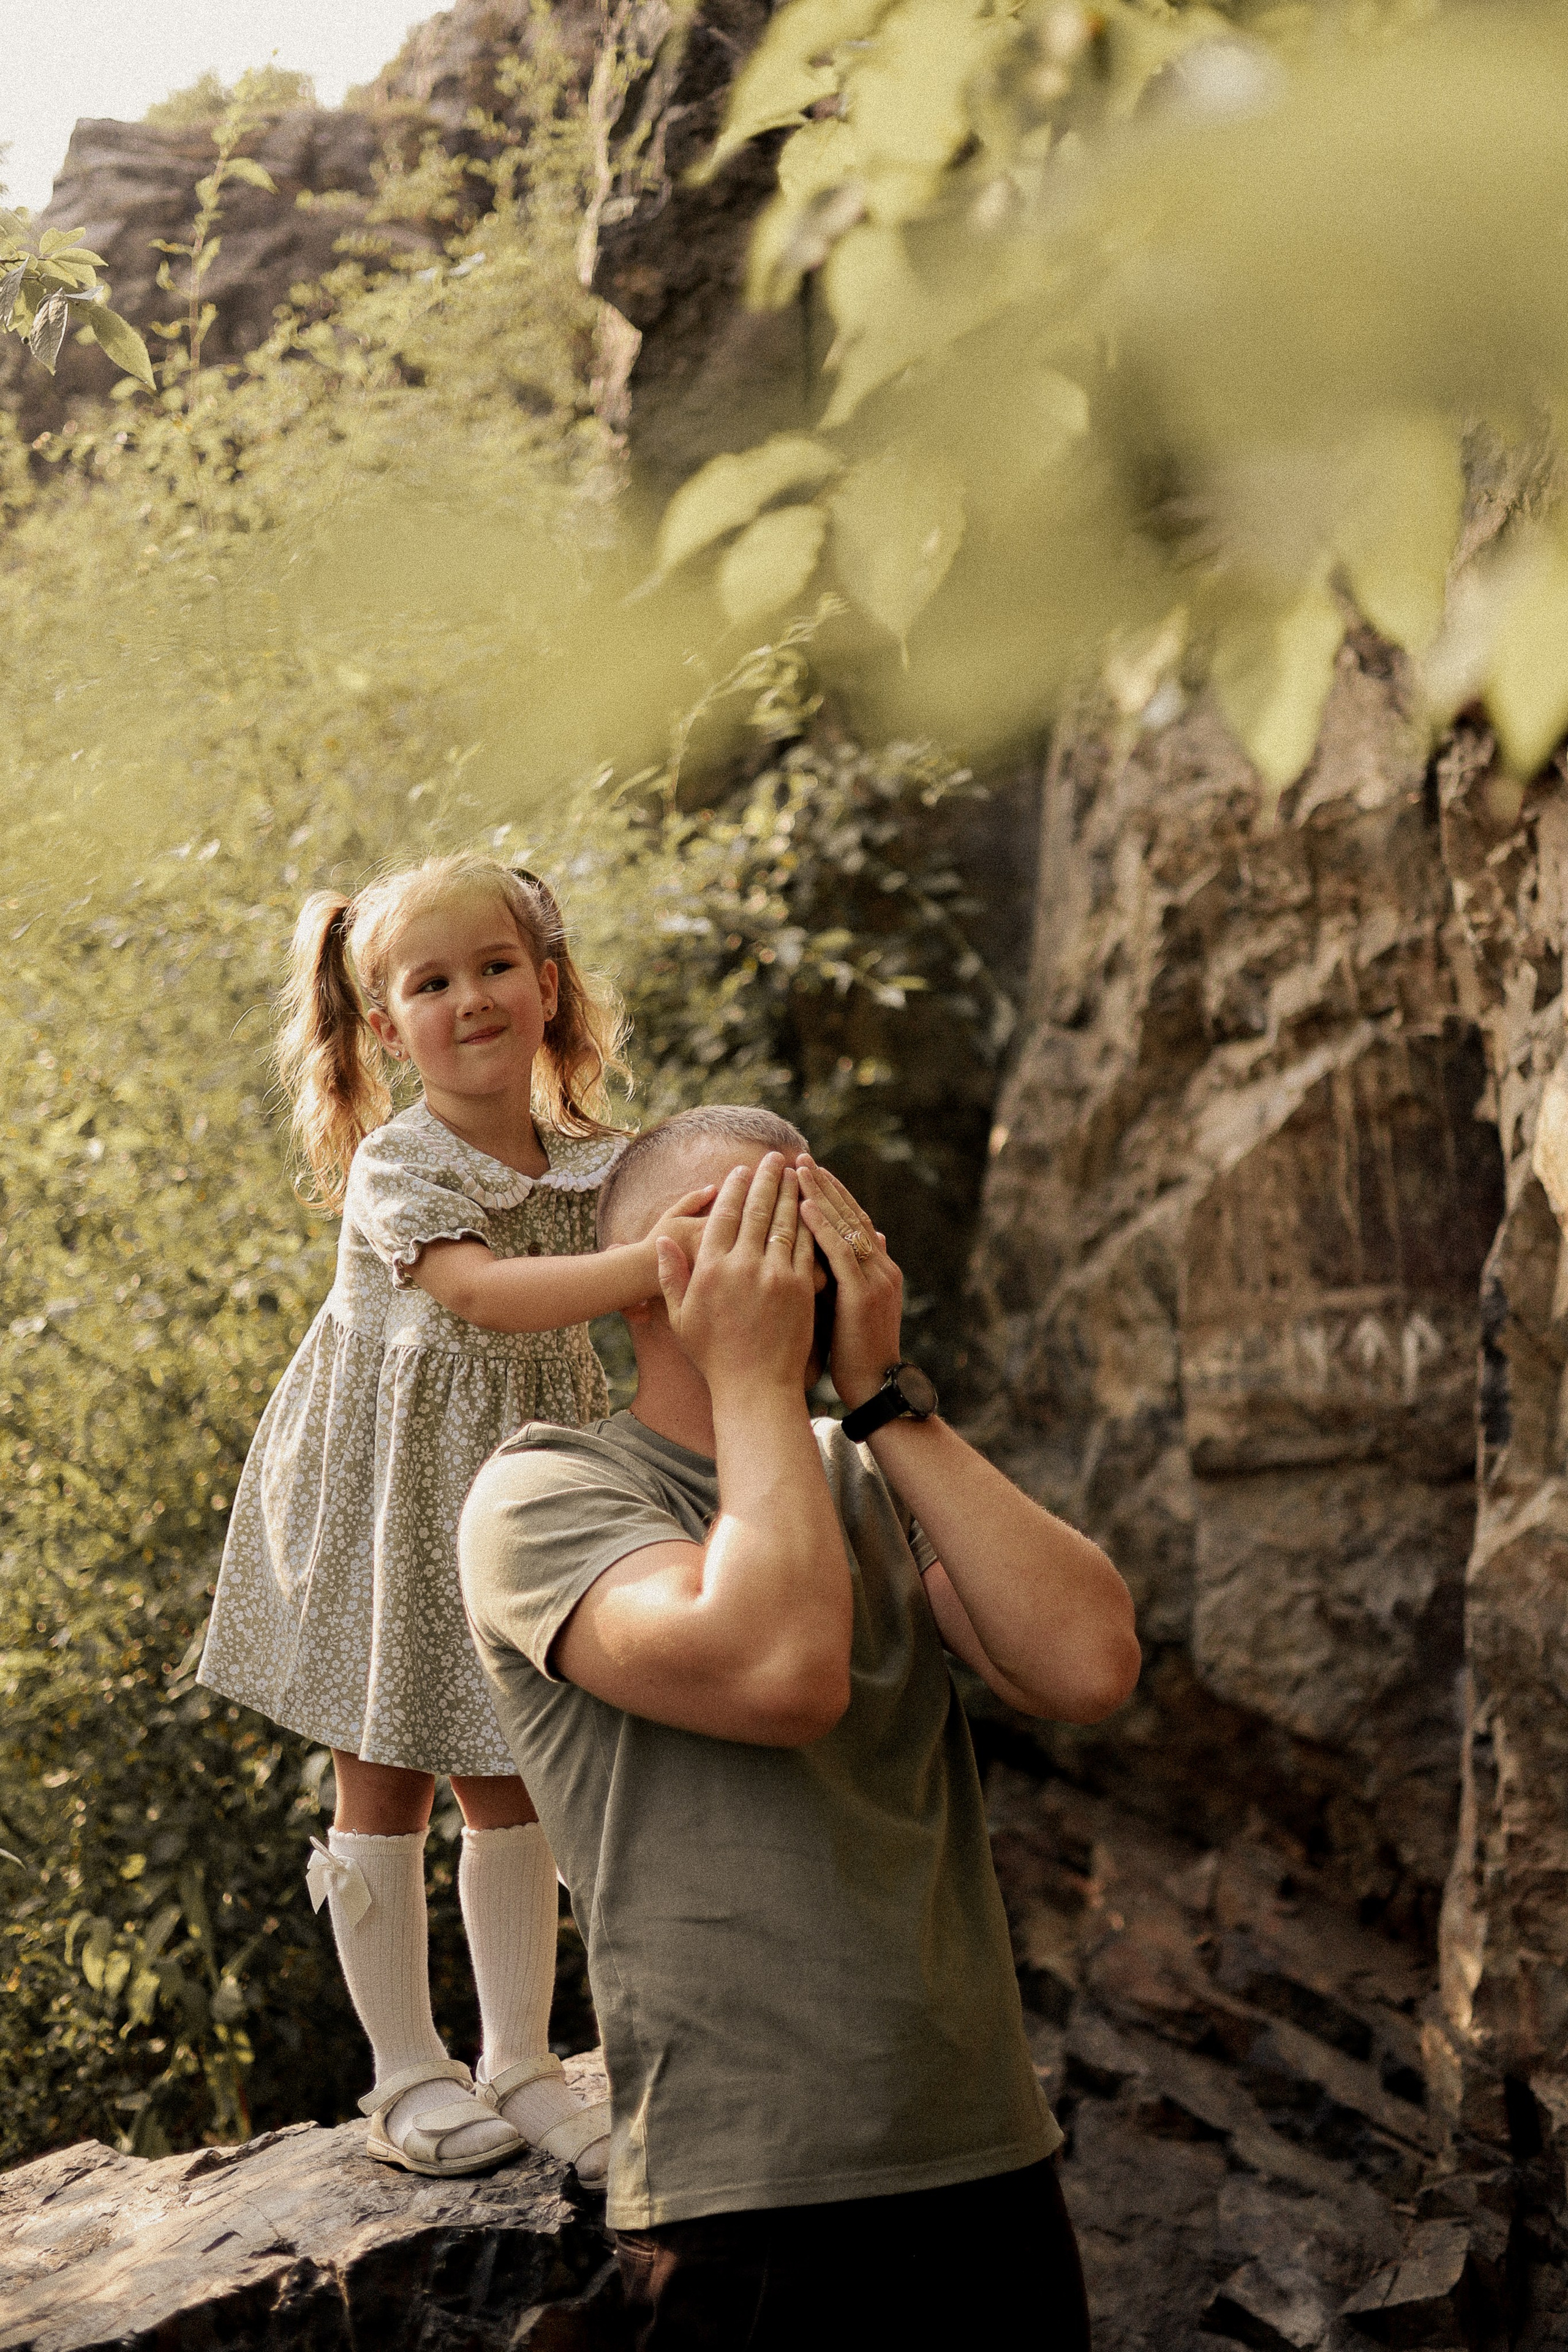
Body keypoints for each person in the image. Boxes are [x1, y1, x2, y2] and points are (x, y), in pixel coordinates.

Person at [458, 1105, 1142, 2345]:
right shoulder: (545, 1491)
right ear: (649, 1273)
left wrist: (878, 1397)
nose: (791, 1257)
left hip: (988, 2161)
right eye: (747, 1227)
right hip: (750, 2200)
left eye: (811, 1215)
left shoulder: (875, 1466)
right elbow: (780, 1671)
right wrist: (753, 1380)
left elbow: (1085, 1664)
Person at [197, 853, 712, 2182]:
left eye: (495, 968)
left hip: (525, 1496)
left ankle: (523, 2064)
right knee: (385, 1770)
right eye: (430, 983)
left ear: (547, 988)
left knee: (514, 1770)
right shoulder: (400, 1169)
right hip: (386, 1489)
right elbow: (481, 1296)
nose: (469, 999)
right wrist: (658, 1261)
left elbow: (677, 1216)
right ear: (385, 1027)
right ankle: (405, 2073)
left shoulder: (599, 1165)